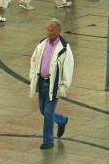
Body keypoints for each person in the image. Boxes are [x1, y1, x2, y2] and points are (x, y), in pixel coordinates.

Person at [29, 19, 75, 150]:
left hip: (53, 85)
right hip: (42, 82)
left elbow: (68, 69)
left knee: (48, 113)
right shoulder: (41, 45)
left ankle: (48, 141)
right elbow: (34, 61)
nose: (49, 32)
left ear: (59, 31)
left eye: (52, 30)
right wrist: (32, 76)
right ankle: (61, 120)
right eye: (48, 30)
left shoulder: (65, 49)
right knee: (43, 110)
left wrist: (63, 87)